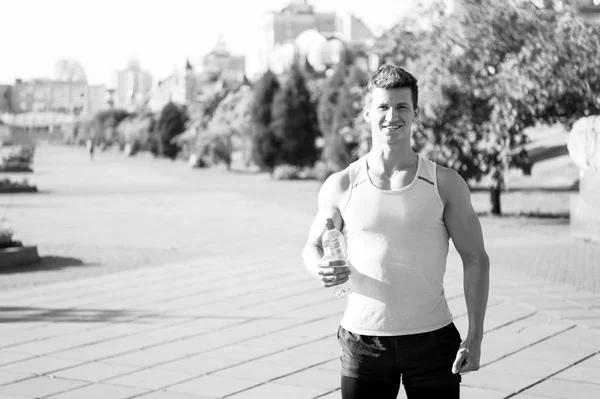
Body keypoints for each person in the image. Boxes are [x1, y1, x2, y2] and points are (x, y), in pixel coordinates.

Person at [301, 64, 490, 399]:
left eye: (402, 106)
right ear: (367, 112)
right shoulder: (342, 184)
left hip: (432, 339)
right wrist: (320, 267)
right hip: (363, 342)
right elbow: (312, 246)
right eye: (383, 106)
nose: (392, 115)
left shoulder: (444, 183)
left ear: (415, 112)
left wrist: (475, 335)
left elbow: (475, 258)